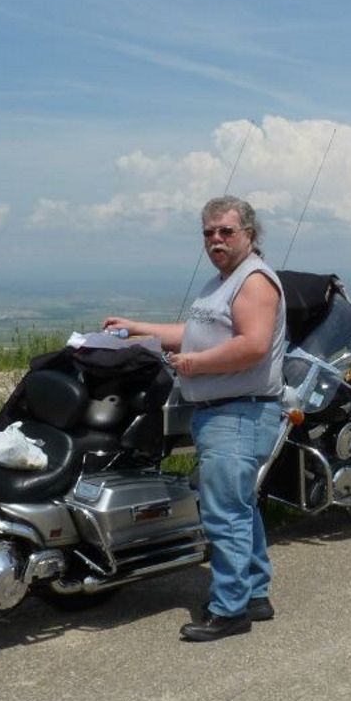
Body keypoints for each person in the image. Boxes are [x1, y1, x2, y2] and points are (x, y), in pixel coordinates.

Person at [103, 196, 286, 643]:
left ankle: (229, 610)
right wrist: (138, 329)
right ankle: (254, 594)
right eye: (208, 232)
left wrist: (194, 364)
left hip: (239, 412)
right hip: (223, 412)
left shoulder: (254, 282)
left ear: (249, 234)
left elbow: (253, 345)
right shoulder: (222, 282)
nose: (216, 240)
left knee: (225, 514)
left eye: (226, 231)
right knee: (239, 506)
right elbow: (196, 332)